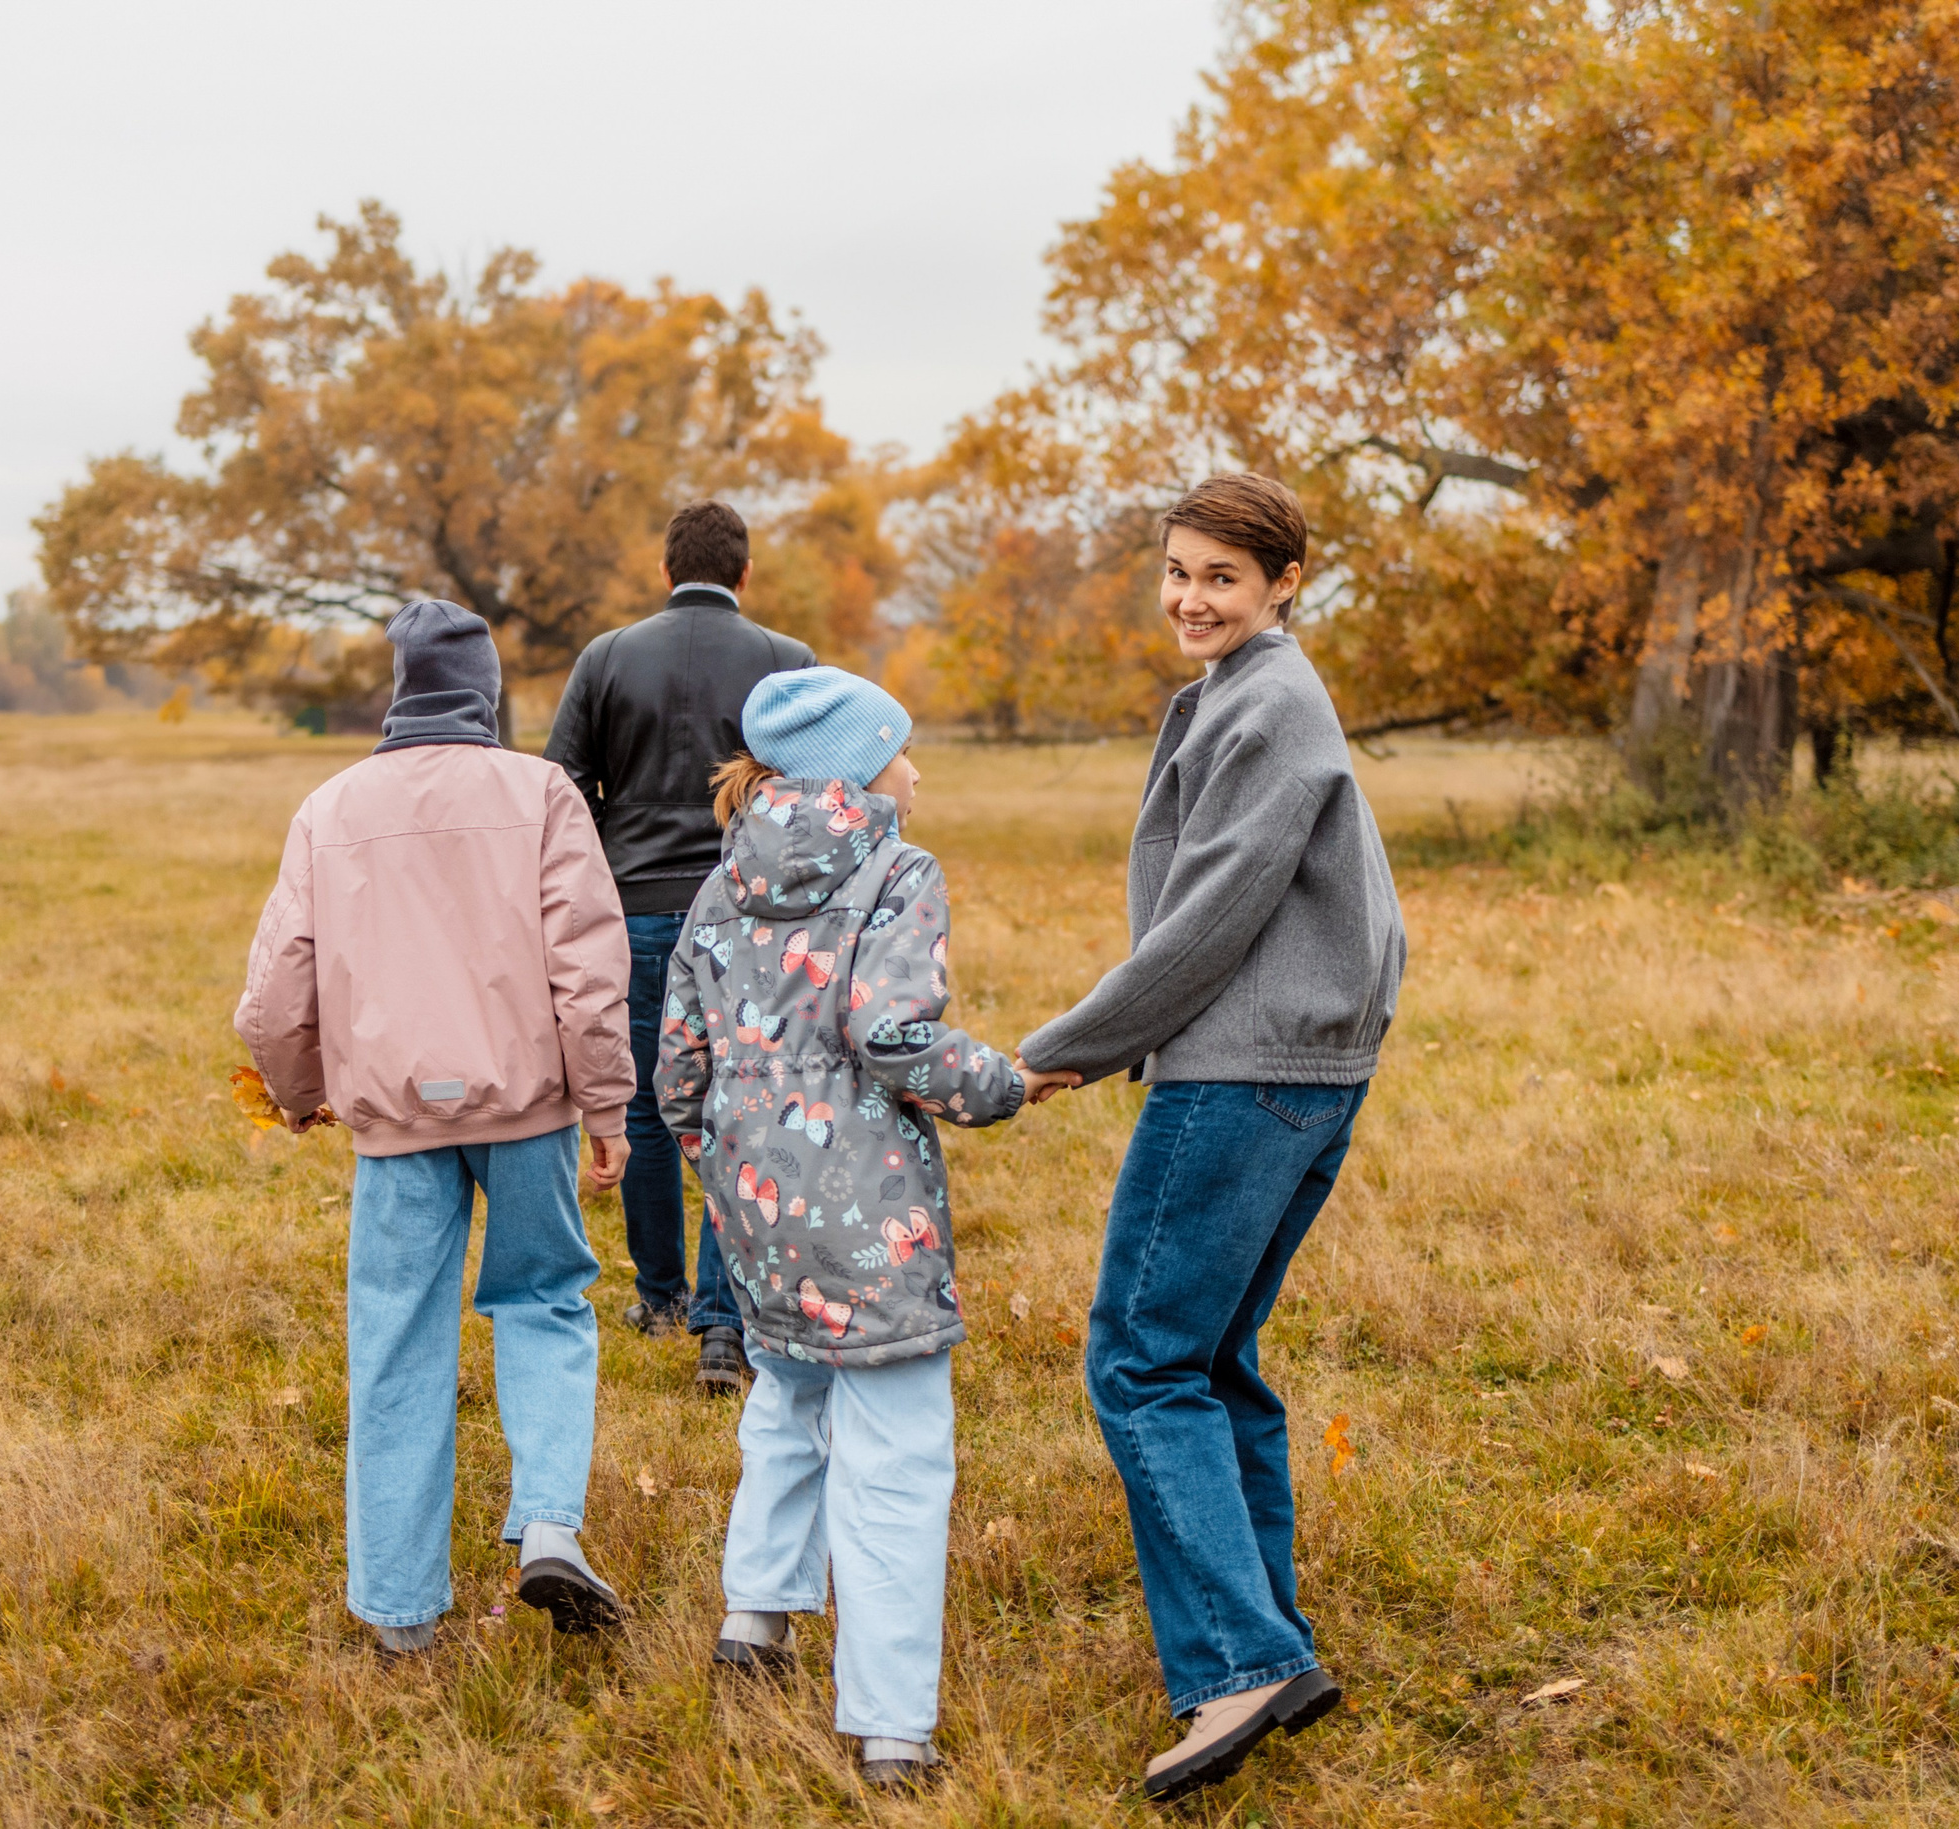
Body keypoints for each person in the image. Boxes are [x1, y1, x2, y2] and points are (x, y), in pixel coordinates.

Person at [1012, 474, 1406, 1803]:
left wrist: (1071, 1046)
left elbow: (1214, 915)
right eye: (1178, 571)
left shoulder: (1271, 700)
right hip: (1291, 1067)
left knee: (1139, 1360)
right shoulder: (1252, 692)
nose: (1191, 597)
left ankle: (1240, 1660)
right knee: (1214, 1360)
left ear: (1284, 581)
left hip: (1244, 1077)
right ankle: (1271, 1640)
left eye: (1221, 577)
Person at [235, 599, 637, 1658]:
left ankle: (401, 1610)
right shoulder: (541, 791)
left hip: (394, 1119)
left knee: (397, 1340)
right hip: (529, 1107)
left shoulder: (330, 806)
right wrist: (605, 1103)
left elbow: (274, 992)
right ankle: (548, 1523)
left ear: (399, 688)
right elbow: (588, 968)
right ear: (487, 693)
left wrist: (299, 1092)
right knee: (543, 1299)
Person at [655, 667, 1027, 1794]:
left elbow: (678, 1065)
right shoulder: (896, 869)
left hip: (753, 1203)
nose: (917, 769)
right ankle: (890, 1724)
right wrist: (1002, 1082)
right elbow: (891, 1032)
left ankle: (754, 1614)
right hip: (868, 1211)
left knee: (787, 1387)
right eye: (901, 749)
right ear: (857, 768)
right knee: (897, 1450)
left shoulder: (721, 881)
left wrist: (721, 1159)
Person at [546, 499, 814, 1395]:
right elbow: (819, 787)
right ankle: (723, 1323)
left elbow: (562, 784)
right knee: (740, 1103)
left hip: (630, 910)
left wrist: (602, 861)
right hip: (747, 916)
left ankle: (659, 1295)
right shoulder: (788, 660)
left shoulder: (606, 656)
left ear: (665, 571)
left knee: (648, 1103)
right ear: (745, 573)